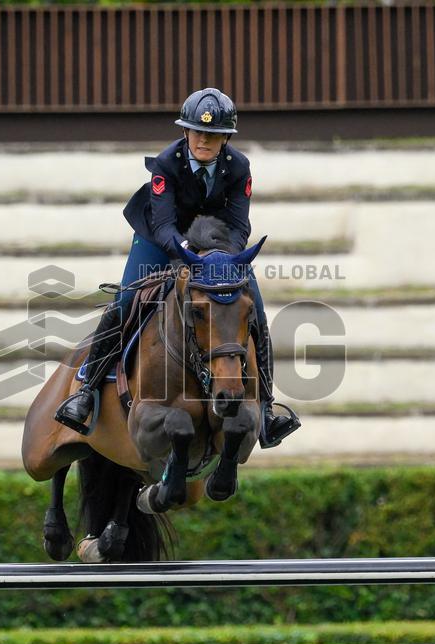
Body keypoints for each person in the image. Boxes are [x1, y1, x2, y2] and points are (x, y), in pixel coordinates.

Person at [54, 87, 300, 448]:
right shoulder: (166, 164)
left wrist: (220, 259)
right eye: (198, 132)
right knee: (124, 302)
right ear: (186, 132)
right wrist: (189, 254)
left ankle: (265, 409)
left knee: (256, 311)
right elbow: (166, 225)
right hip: (159, 238)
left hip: (217, 244)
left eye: (213, 134)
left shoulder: (239, 167)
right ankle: (86, 390)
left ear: (225, 138)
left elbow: (239, 225)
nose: (204, 140)